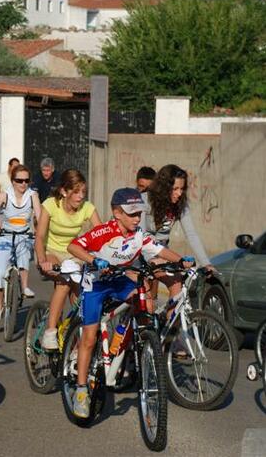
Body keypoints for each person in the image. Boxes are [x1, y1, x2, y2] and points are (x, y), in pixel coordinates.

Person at [67, 187, 194, 418]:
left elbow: (161, 250)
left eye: (139, 214)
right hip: (95, 284)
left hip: (119, 281)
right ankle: (82, 390)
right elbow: (73, 246)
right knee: (88, 337)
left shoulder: (139, 235)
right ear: (117, 213)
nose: (137, 218)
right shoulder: (104, 231)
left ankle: (133, 346)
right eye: (132, 214)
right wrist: (93, 260)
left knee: (143, 297)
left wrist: (182, 260)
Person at [35, 169, 101, 350]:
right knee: (64, 281)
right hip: (51, 252)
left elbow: (103, 235)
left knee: (80, 294)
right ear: (64, 191)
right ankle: (49, 332)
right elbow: (40, 236)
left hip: (73, 254)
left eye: (83, 192)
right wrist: (42, 260)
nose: (81, 197)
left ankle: (78, 338)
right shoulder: (50, 205)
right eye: (76, 192)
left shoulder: (87, 208)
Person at [140, 164, 215, 302]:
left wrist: (206, 263)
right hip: (141, 253)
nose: (179, 193)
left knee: (177, 286)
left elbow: (191, 234)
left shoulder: (180, 204)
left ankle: (173, 323)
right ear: (164, 188)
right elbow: (140, 236)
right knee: (147, 304)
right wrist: (151, 258)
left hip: (162, 253)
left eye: (182, 189)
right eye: (175, 189)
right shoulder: (145, 200)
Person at [0, 164, 41, 325]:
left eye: (26, 180)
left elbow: (38, 216)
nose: (23, 184)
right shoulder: (4, 195)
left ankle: (24, 287)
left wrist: (38, 230)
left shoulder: (32, 195)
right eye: (19, 180)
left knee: (24, 255)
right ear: (13, 181)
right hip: (5, 235)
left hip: (24, 234)